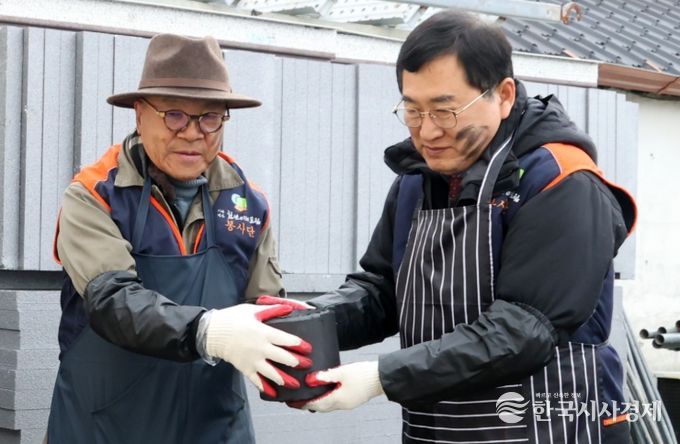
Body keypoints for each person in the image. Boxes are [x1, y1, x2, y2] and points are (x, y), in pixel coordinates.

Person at [284, 10, 637, 443]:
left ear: (503, 95)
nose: (427, 132)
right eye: (412, 110)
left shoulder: (562, 182)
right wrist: (303, 322)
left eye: (445, 111)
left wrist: (380, 377)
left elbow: (523, 330)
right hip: (437, 431)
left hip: (553, 428)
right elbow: (383, 292)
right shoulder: (417, 181)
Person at [46, 33, 311, 443]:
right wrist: (207, 331)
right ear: (140, 115)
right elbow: (112, 302)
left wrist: (308, 365)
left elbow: (268, 311)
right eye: (174, 115)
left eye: (210, 118)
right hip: (104, 427)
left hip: (215, 428)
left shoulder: (246, 203)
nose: (192, 133)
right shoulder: (96, 195)